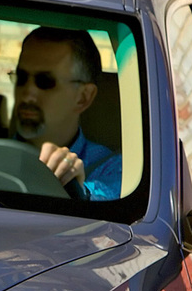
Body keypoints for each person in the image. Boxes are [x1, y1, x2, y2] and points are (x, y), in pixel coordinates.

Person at [10, 27, 121, 201]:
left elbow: (112, 200)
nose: (27, 94)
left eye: (45, 81)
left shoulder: (113, 168)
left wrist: (78, 190)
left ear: (83, 97)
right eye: (22, 78)